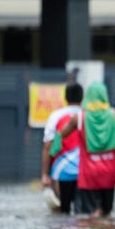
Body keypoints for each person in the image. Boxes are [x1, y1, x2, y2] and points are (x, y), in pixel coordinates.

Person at [61, 81, 115, 218]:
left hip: (89, 172)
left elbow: (62, 134)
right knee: (107, 212)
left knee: (92, 213)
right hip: (109, 170)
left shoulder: (80, 117)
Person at [41, 82, 83, 214]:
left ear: (65, 97)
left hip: (61, 172)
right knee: (82, 216)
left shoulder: (56, 116)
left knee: (62, 213)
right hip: (84, 172)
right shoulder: (87, 115)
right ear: (82, 97)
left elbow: (48, 146)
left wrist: (45, 174)